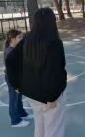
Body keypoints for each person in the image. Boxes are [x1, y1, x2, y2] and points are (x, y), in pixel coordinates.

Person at [5, 8, 67, 137]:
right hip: (50, 96)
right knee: (53, 129)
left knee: (40, 127)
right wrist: (52, 98)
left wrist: (16, 84)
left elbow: (10, 60)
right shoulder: (54, 43)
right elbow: (53, 72)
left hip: (32, 93)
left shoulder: (27, 39)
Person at [4, 29, 33, 127]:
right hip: (13, 79)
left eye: (22, 37)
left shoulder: (16, 49)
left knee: (19, 97)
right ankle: (15, 120)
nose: (22, 39)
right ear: (12, 39)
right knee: (13, 98)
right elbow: (12, 70)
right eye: (19, 37)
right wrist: (15, 84)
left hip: (18, 78)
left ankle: (22, 113)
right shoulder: (10, 51)